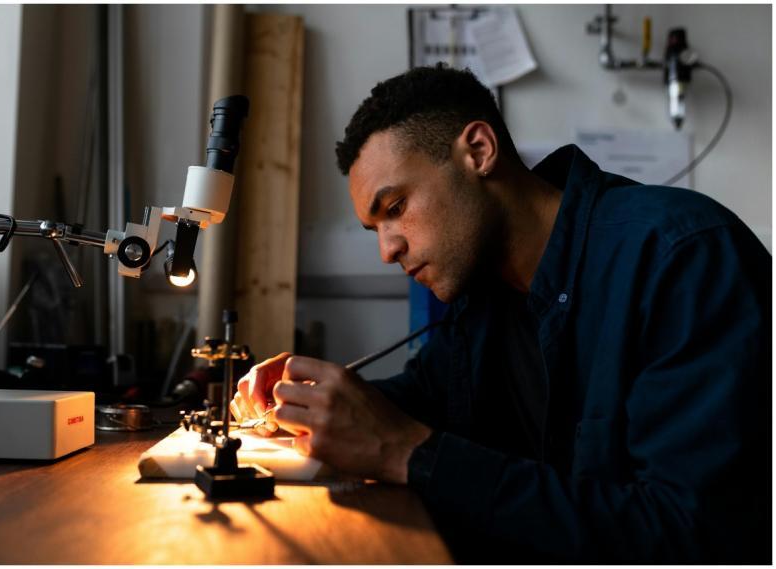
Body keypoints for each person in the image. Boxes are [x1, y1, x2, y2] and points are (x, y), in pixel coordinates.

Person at [230, 64, 771, 563]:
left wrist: (407, 452)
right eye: (375, 229)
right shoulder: (483, 293)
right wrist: (306, 404)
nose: (387, 250)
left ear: (479, 151)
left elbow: (690, 535)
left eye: (395, 208)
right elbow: (424, 397)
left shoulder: (682, 258)